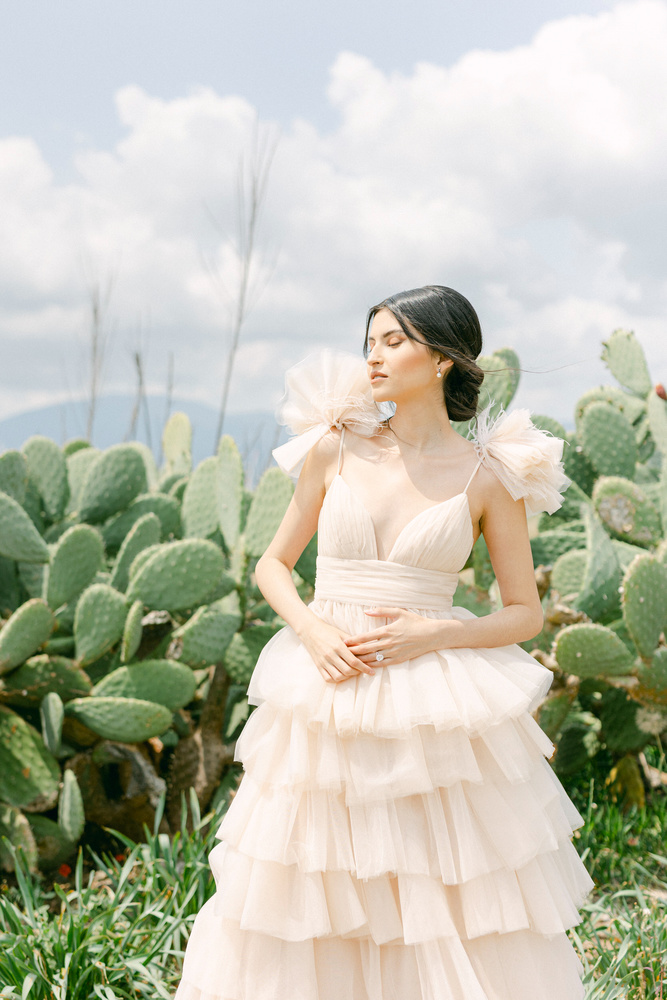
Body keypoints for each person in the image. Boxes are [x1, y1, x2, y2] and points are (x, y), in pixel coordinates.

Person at [174, 284, 595, 1000]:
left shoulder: (490, 474)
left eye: (393, 342)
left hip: (431, 695)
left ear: (440, 360)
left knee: (432, 884)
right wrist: (310, 631)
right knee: (312, 880)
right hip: (326, 686)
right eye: (368, 342)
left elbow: (523, 612)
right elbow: (272, 566)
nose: (373, 357)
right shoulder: (335, 446)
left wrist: (438, 634)